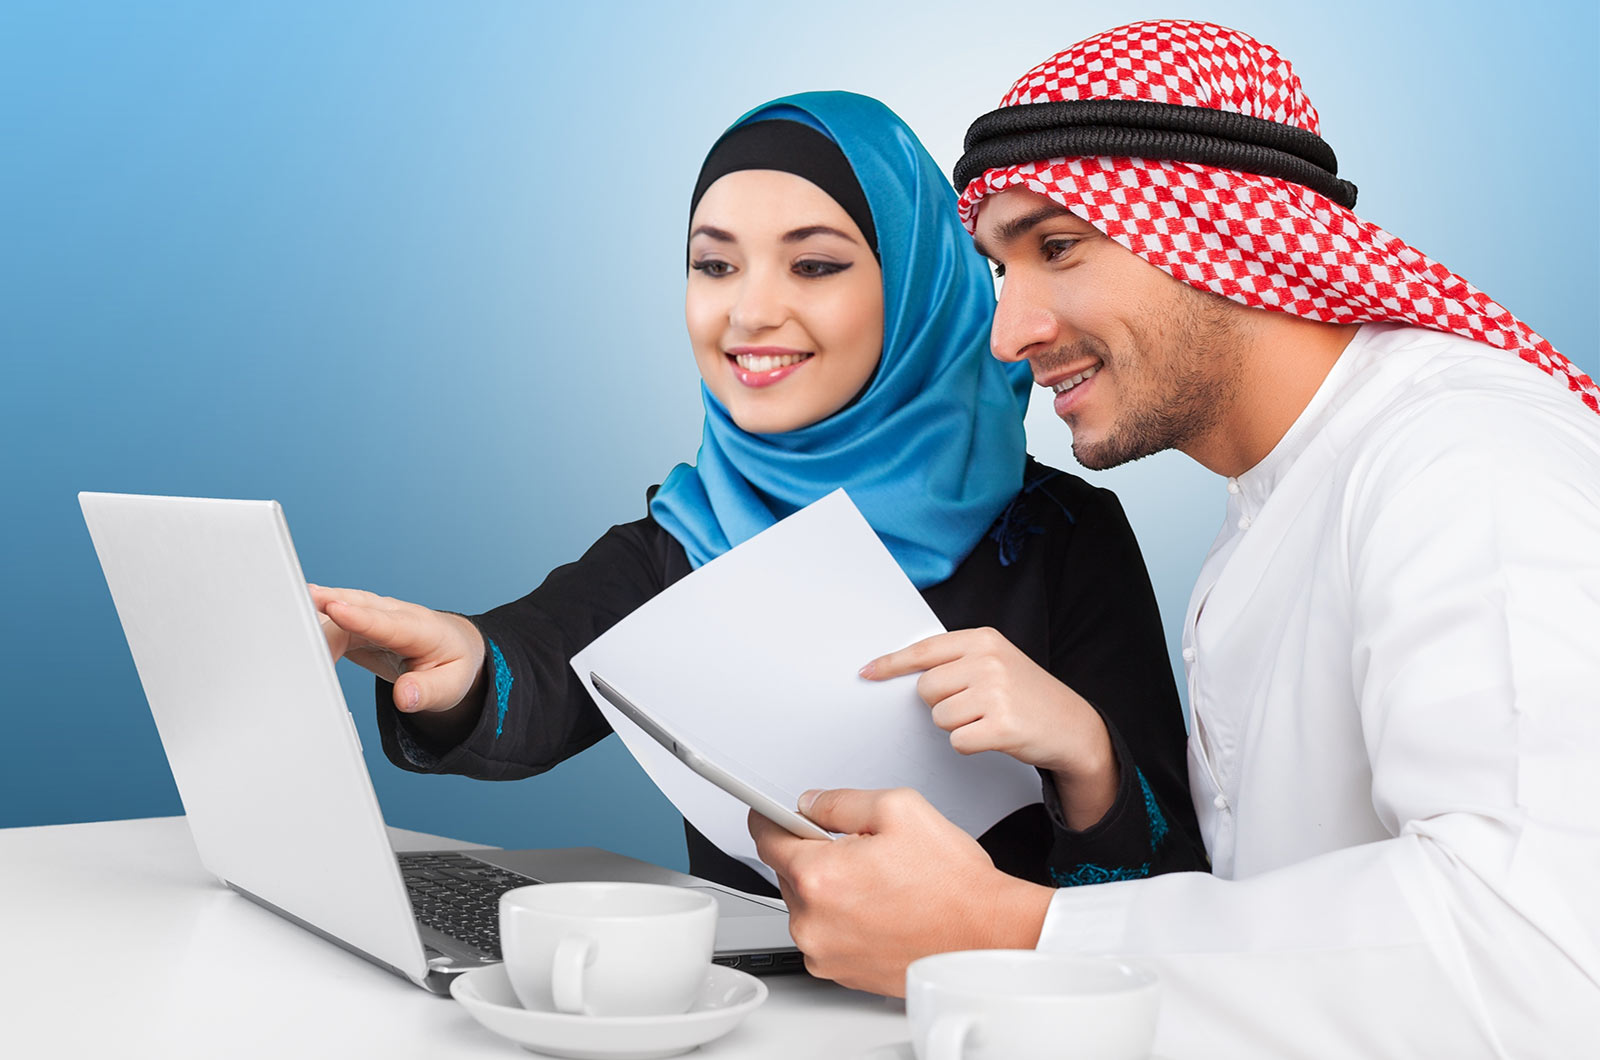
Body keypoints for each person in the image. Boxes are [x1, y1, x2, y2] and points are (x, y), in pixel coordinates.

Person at [749, 21, 1600, 1056]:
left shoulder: (1464, 460)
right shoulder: (1270, 508)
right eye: (999, 269)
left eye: (1057, 247)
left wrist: (1011, 931)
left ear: (1231, 231)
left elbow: (1538, 956)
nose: (1008, 333)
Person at [313, 91, 1206, 898]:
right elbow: (540, 667)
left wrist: (1086, 754)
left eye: (813, 266)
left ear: (918, 287)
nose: (748, 314)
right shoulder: (691, 532)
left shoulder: (1059, 536)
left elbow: (1170, 891)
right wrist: (457, 661)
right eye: (715, 265)